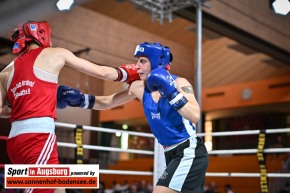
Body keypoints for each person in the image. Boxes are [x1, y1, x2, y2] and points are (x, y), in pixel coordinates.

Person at [0, 21, 139, 193]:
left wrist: (28, 101)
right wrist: (134, 72)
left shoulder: (6, 72)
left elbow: (1, 111)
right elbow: (104, 73)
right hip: (37, 139)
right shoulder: (55, 54)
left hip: (15, 142)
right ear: (42, 34)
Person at [58, 42, 209, 193]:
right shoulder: (139, 87)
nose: (137, 65)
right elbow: (107, 102)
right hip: (170, 154)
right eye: (137, 60)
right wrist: (79, 100)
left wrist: (171, 93)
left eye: (142, 61)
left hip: (189, 151)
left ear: (157, 61)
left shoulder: (180, 83)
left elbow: (194, 115)